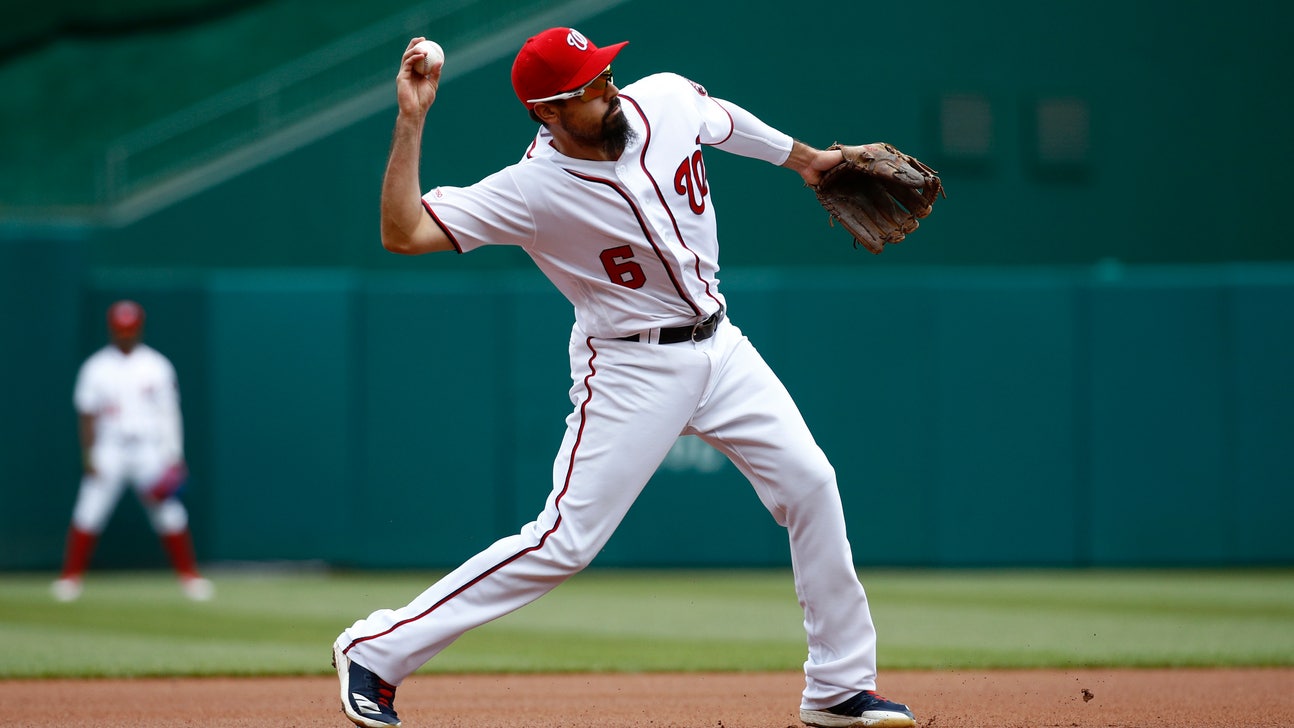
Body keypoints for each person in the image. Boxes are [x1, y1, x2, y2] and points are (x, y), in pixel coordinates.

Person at [332, 27, 916, 728]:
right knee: (564, 541)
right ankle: (375, 649)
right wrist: (412, 117)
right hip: (631, 365)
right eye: (588, 87)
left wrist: (811, 162)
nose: (608, 89)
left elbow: (726, 121)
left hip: (720, 344)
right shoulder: (531, 189)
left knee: (811, 483)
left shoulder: (664, 99)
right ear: (547, 111)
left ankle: (838, 688)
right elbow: (404, 231)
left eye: (606, 72)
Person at [51, 300, 213, 603]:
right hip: (109, 447)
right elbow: (86, 414)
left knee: (169, 513)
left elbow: (169, 414)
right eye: (120, 329)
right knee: (89, 510)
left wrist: (174, 456)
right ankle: (70, 578)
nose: (125, 334)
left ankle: (189, 577)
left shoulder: (156, 365)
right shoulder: (96, 366)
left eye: (130, 329)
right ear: (112, 329)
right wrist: (89, 454)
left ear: (139, 328)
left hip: (148, 449)